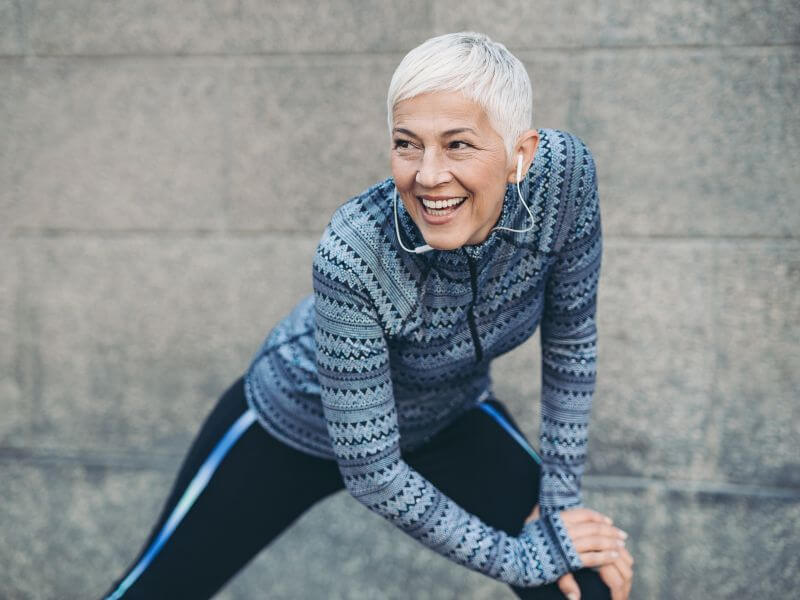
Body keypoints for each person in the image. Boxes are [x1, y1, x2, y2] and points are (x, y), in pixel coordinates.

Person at [102, 31, 633, 600]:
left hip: (446, 417)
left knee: (581, 584)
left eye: (458, 145)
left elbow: (572, 339)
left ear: (520, 154)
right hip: (295, 423)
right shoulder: (355, 251)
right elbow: (373, 473)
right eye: (408, 144)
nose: (429, 175)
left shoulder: (565, 180)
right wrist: (518, 557)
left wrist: (558, 518)